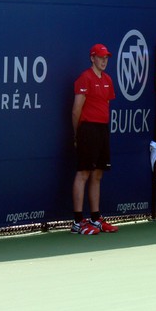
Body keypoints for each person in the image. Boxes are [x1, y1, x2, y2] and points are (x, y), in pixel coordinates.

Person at [70, 43, 119, 235]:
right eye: (100, 57)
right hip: (87, 129)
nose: (104, 60)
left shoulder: (108, 79)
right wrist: (77, 133)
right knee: (84, 173)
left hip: (102, 129)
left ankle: (96, 218)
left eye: (106, 57)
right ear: (92, 58)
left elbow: (105, 106)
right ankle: (77, 222)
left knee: (98, 174)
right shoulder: (85, 78)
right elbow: (76, 110)